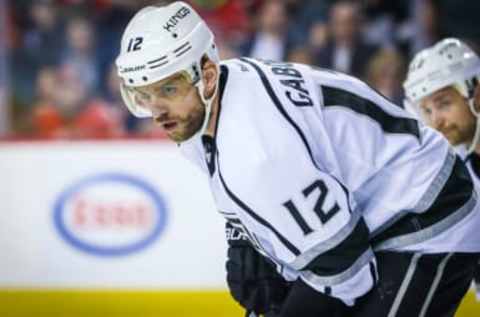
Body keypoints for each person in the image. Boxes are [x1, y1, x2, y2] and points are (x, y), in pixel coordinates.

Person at [115, 2, 480, 316]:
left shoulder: (260, 151)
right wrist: (245, 240)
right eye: (142, 95)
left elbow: (346, 271)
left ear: (207, 76)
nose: (157, 109)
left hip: (430, 215)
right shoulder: (209, 101)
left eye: (168, 88)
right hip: (382, 211)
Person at [404, 37, 480, 301]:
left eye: (444, 103)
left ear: (476, 94)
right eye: (426, 109)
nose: (436, 121)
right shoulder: (456, 173)